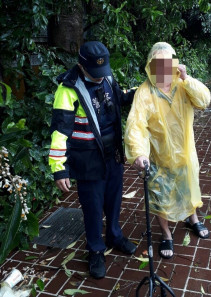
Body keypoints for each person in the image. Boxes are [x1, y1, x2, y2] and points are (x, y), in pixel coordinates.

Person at [49, 41, 137, 279]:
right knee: (93, 208)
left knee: (114, 200)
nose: (100, 78)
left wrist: (143, 92)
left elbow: (121, 98)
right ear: (81, 65)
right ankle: (96, 249)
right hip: (88, 161)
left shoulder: (106, 77)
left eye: (103, 72)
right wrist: (59, 169)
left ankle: (115, 235)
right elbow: (60, 132)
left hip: (113, 156)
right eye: (95, 73)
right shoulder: (67, 90)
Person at [124, 42, 211, 259]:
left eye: (167, 64)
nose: (163, 70)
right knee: (160, 196)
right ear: (150, 66)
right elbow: (136, 125)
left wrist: (187, 79)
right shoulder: (144, 93)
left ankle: (193, 220)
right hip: (159, 156)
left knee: (188, 187)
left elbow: (204, 101)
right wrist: (138, 153)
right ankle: (166, 234)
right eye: (158, 65)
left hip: (185, 152)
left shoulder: (182, 85)